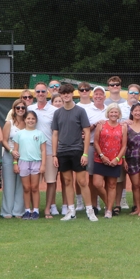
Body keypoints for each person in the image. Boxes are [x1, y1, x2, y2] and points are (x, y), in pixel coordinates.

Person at [52, 83, 97, 222]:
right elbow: (55, 134)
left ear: (72, 94)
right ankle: (71, 211)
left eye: (68, 93)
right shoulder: (57, 113)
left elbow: (87, 131)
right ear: (60, 95)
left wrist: (85, 153)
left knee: (82, 181)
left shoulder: (80, 111)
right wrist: (54, 154)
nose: (66, 95)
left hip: (77, 150)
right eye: (63, 93)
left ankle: (90, 211)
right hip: (62, 151)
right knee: (67, 181)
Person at [91, 104, 127, 218]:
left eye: (116, 112)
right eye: (111, 112)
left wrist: (117, 159)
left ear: (119, 114)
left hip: (115, 160)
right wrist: (102, 156)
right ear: (108, 113)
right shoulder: (101, 125)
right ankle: (108, 203)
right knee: (97, 183)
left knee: (112, 185)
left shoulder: (123, 127)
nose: (113, 114)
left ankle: (109, 211)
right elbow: (96, 142)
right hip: (100, 159)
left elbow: (124, 145)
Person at [30, 82, 60, 215]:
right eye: (38, 91)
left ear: (47, 93)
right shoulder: (29, 109)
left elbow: (57, 132)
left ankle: (48, 208)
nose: (40, 94)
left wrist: (55, 154)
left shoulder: (54, 110)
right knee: (32, 183)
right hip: (32, 152)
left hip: (49, 151)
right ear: (34, 93)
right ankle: (33, 208)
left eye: (43, 91)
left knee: (51, 181)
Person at [12, 110, 48, 219]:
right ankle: (27, 210)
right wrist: (15, 164)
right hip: (23, 162)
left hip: (36, 162)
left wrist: (43, 165)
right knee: (26, 187)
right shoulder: (19, 134)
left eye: (33, 118)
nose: (30, 120)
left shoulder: (39, 134)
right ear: (24, 120)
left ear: (36, 120)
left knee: (35, 187)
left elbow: (43, 151)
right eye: (28, 118)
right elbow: (16, 150)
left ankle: (36, 210)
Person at [80, 85, 109, 211]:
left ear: (104, 96)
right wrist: (95, 125)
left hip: (109, 148)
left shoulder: (110, 109)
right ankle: (94, 204)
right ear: (93, 96)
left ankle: (109, 204)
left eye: (100, 94)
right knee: (92, 177)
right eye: (96, 94)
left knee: (109, 178)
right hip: (92, 146)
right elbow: (83, 131)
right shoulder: (87, 110)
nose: (98, 96)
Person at [0, 99, 28, 219]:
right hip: (9, 154)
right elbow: (3, 140)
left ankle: (18, 211)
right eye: (18, 108)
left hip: (24, 156)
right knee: (8, 183)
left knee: (21, 184)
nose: (20, 110)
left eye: (23, 107)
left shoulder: (28, 122)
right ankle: (7, 211)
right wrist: (11, 151)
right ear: (14, 109)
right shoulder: (9, 123)